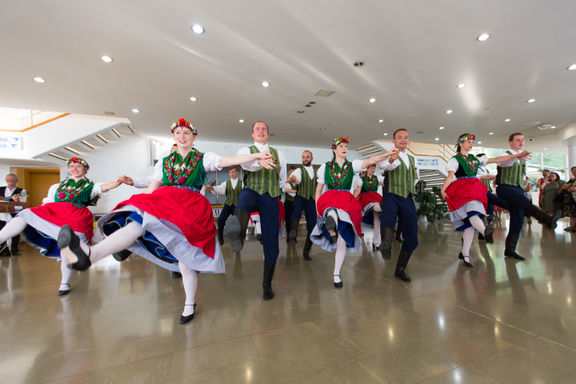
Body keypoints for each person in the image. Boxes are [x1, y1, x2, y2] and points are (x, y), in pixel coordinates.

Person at [57, 118, 273, 323]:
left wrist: (256, 156)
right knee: (137, 222)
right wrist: (143, 203)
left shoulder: (202, 158)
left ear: (193, 137)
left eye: (187, 132)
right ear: (173, 136)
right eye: (178, 133)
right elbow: (152, 188)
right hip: (166, 202)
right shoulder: (164, 162)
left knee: (185, 259)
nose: (182, 136)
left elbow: (229, 160)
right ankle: (90, 254)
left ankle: (189, 303)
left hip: (190, 207)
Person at [0, 158, 122, 295]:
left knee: (68, 248)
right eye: (72, 166)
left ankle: (64, 283)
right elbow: (47, 202)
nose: (74, 168)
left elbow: (105, 187)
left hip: (76, 216)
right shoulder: (56, 186)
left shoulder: (91, 186)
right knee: (25, 215)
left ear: (86, 169)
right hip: (54, 211)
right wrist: (38, 218)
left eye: (78, 166)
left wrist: (118, 181)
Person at [311, 137, 397, 288]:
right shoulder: (326, 167)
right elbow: (318, 190)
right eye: (341, 146)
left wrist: (387, 154)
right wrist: (317, 208)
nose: (344, 148)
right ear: (334, 149)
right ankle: (331, 222)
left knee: (342, 241)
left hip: (346, 199)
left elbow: (370, 160)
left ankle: (336, 273)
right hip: (330, 197)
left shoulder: (353, 165)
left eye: (346, 146)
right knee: (332, 210)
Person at [440, 134, 529, 268]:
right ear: (461, 143)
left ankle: (465, 253)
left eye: (472, 142)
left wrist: (515, 156)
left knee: (470, 224)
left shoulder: (475, 159)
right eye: (469, 142)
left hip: (475, 188)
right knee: (473, 213)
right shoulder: (455, 159)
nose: (471, 144)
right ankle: (485, 230)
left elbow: (495, 159)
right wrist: (443, 189)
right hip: (463, 189)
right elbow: (451, 175)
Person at [224, 121, 287, 301]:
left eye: (264, 129)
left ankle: (266, 285)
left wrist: (276, 190)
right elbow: (246, 166)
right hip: (252, 189)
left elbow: (281, 178)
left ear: (268, 133)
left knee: (271, 241)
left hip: (271, 196)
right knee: (244, 199)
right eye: (257, 129)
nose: (261, 131)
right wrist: (259, 160)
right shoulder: (245, 151)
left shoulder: (279, 153)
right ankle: (238, 232)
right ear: (252, 133)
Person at [496, 132, 556, 261]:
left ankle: (510, 250)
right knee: (524, 202)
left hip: (517, 189)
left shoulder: (522, 160)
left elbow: (521, 178)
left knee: (518, 217)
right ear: (510, 142)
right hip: (505, 187)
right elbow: (503, 163)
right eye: (518, 140)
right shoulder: (506, 155)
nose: (521, 142)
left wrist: (525, 185)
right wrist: (518, 156)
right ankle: (544, 218)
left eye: (522, 140)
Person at [377, 129, 418, 282]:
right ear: (393, 141)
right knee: (388, 214)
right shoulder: (389, 154)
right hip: (391, 194)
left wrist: (412, 188)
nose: (403, 140)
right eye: (399, 137)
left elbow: (415, 178)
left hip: (407, 196)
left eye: (406, 137)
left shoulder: (413, 159)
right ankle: (386, 244)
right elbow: (383, 166)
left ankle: (400, 269)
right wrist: (392, 159)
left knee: (412, 237)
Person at [286, 150, 317, 260]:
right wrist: (294, 179)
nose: (305, 159)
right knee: (296, 211)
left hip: (312, 200)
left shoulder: (317, 171)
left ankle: (306, 251)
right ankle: (293, 233)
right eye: (303, 157)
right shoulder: (299, 170)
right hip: (300, 196)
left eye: (307, 157)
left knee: (313, 226)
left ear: (312, 158)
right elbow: (297, 178)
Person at [204, 166, 243, 246]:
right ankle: (220, 238)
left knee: (238, 223)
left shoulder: (242, 183)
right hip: (228, 204)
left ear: (237, 172)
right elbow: (219, 189)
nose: (232, 174)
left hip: (238, 205)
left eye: (233, 171)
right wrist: (212, 188)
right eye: (230, 172)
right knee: (221, 220)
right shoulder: (226, 183)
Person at [0, 174, 28, 255]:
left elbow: (22, 203)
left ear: (16, 181)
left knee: (15, 231)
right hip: (1, 215)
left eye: (12, 180)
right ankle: (3, 250)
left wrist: (17, 200)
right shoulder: (1, 189)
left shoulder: (22, 191)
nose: (10, 182)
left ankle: (14, 249)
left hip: (14, 214)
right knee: (1, 231)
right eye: (8, 180)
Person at [357, 165, 384, 250]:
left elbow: (384, 183)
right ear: (367, 169)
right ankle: (359, 235)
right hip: (365, 198)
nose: (373, 170)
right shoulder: (361, 179)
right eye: (371, 168)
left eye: (374, 168)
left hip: (375, 197)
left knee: (377, 219)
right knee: (360, 218)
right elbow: (357, 190)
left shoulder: (376, 178)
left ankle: (375, 242)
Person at [558, 166, 576, 232]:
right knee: (573, 214)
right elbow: (564, 188)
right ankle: (572, 227)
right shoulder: (571, 180)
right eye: (573, 171)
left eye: (575, 171)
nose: (574, 172)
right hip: (571, 199)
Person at [283, 166, 298, 243]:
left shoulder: (297, 181)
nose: (293, 173)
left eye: (294, 171)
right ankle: (288, 236)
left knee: (295, 220)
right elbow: (284, 190)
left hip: (296, 203)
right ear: (289, 172)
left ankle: (294, 237)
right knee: (288, 220)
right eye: (291, 171)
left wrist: (291, 190)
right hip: (288, 203)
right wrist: (295, 191)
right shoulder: (285, 181)